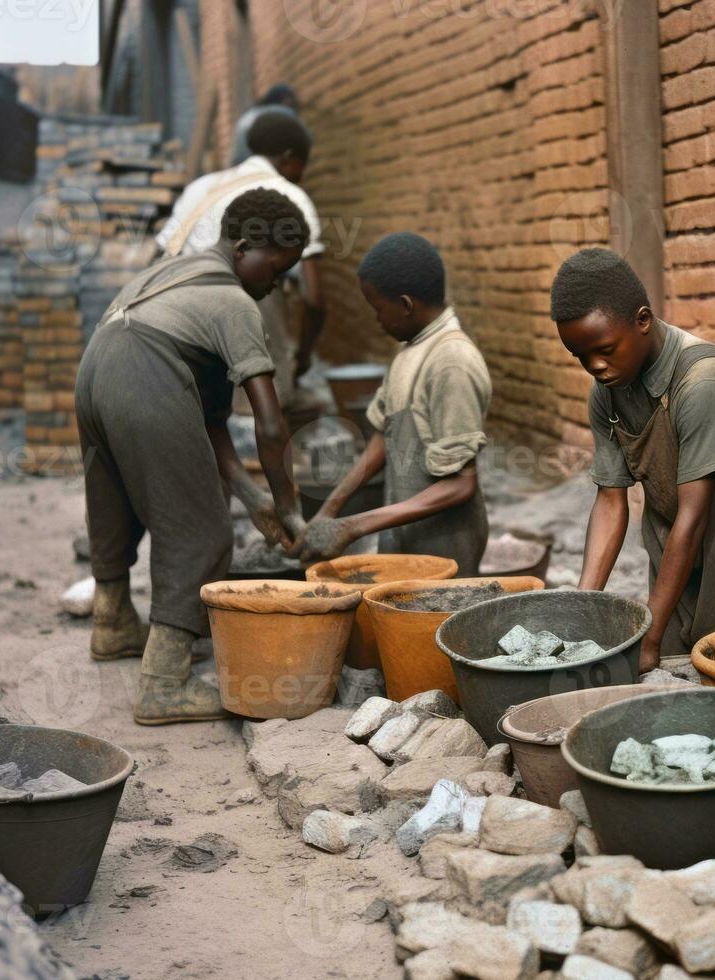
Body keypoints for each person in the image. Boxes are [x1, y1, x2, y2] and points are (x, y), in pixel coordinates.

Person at [78, 189, 309, 725]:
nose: (276, 284)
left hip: (96, 369)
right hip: (143, 372)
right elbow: (270, 424)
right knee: (201, 527)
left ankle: (112, 623)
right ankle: (165, 682)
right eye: (276, 270)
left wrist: (253, 499)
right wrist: (291, 506)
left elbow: (209, 422)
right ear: (246, 246)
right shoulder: (233, 302)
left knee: (112, 499)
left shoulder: (172, 274)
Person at [552, 248, 715, 674]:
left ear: (643, 321)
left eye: (606, 349)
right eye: (581, 356)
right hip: (676, 523)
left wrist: (647, 639)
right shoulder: (606, 392)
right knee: (667, 650)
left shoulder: (703, 380)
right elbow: (611, 500)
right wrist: (580, 608)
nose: (596, 366)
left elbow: (695, 515)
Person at [293, 233, 492, 571]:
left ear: (405, 305)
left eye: (378, 309)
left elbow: (460, 484)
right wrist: (330, 511)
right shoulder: (410, 350)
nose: (377, 320)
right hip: (404, 532)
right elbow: (383, 438)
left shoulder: (451, 362)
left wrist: (355, 525)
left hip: (444, 545)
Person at [156, 108, 327, 409]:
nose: (301, 176)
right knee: (261, 422)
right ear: (289, 158)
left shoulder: (201, 187)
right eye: (302, 167)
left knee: (206, 421)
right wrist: (302, 355)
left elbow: (163, 255)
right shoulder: (291, 197)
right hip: (248, 333)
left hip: (182, 333)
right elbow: (314, 299)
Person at [230, 84, 300, 166]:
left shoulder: (251, 113)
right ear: (285, 100)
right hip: (257, 166)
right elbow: (304, 139)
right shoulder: (282, 111)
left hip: (239, 167)